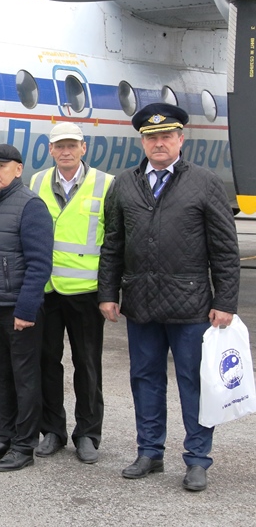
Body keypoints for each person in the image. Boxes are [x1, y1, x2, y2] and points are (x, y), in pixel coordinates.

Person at [98, 103, 239, 493]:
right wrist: (108, 292)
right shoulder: (124, 184)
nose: (159, 143)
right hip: (140, 303)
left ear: (180, 139)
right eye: (151, 137)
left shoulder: (205, 183)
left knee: (194, 382)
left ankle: (197, 460)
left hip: (191, 305)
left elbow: (225, 249)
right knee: (145, 379)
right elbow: (112, 244)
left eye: (166, 136)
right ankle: (149, 452)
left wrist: (225, 301)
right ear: (142, 143)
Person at [29, 122, 113, 464]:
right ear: (51, 150)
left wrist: (109, 291)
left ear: (83, 148)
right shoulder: (36, 182)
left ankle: (88, 433)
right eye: (59, 146)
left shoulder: (105, 184)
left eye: (72, 145)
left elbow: (114, 242)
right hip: (46, 289)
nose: (65, 151)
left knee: (87, 364)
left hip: (85, 291)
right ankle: (52, 430)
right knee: (47, 362)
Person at [0, 144, 53, 472]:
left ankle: (24, 445)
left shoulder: (31, 206)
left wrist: (26, 309)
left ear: (18, 170)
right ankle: (3, 436)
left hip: (18, 309)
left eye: (1, 166)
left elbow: (39, 263)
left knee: (24, 378)